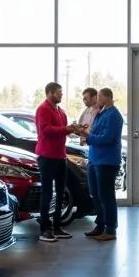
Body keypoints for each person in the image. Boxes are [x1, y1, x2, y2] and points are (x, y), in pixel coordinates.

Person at [35, 81, 79, 243]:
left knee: (61, 193)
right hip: (46, 156)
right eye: (59, 93)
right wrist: (66, 129)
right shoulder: (43, 109)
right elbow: (46, 130)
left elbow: (64, 131)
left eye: (61, 93)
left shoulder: (61, 111)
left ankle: (57, 226)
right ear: (50, 93)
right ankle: (44, 229)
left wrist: (74, 128)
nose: (61, 95)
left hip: (60, 156)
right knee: (47, 193)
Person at [83, 88, 124, 241]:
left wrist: (89, 138)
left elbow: (107, 138)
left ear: (107, 97)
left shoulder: (114, 115)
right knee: (95, 193)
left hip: (107, 161)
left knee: (106, 195)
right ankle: (100, 225)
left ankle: (110, 229)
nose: (96, 99)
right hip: (95, 159)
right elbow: (95, 132)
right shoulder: (101, 113)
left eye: (99, 97)